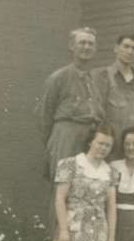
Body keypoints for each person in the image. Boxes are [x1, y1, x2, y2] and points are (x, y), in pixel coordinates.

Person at [40, 27, 103, 183]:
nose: (86, 47)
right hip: (66, 136)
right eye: (82, 43)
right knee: (63, 186)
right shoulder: (59, 77)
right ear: (71, 46)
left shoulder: (95, 79)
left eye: (91, 44)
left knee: (85, 187)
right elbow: (44, 114)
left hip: (89, 138)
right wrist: (55, 144)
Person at [93, 33, 134, 160]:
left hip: (131, 149)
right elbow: (97, 114)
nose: (130, 51)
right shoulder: (103, 76)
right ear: (116, 48)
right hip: (108, 148)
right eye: (126, 46)